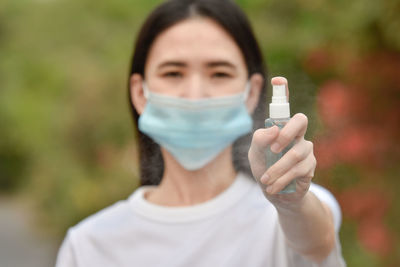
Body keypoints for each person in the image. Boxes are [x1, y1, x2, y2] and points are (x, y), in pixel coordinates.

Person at [56, 0, 346, 266]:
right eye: (173, 73)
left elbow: (316, 243)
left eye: (219, 73)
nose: (195, 96)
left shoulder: (289, 214)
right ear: (140, 93)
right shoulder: (88, 246)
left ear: (251, 93)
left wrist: (291, 201)